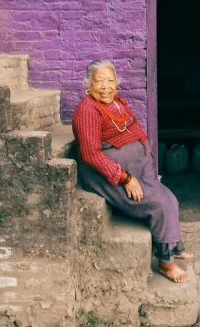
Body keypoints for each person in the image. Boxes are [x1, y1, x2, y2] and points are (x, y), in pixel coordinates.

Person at [72, 59, 192, 283]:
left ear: (117, 83)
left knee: (171, 199)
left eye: (110, 80)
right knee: (159, 205)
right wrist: (125, 178)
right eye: (99, 81)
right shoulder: (88, 110)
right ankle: (166, 263)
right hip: (107, 175)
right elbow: (90, 154)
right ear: (88, 85)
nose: (106, 86)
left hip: (136, 170)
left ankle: (174, 245)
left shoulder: (116, 103)